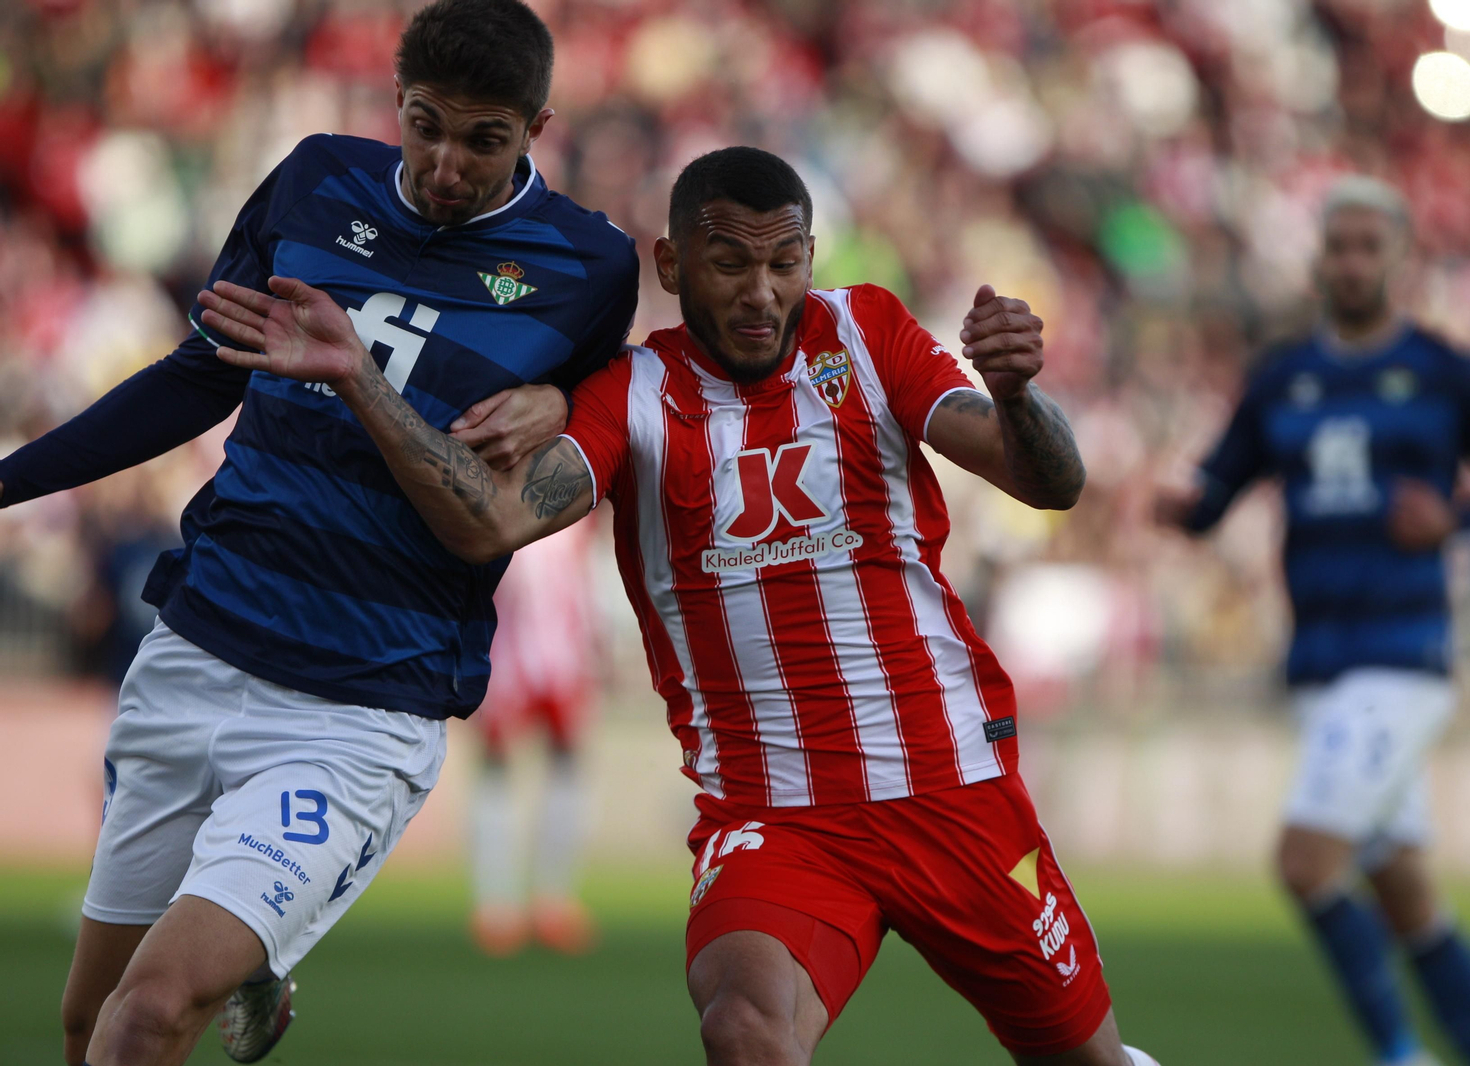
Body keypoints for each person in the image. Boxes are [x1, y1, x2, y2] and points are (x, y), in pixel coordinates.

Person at [198, 145, 1159, 1066]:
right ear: (672, 264)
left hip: (951, 788)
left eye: (785, 263)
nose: (762, 291)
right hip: (776, 819)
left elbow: (1049, 482)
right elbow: (491, 521)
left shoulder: (869, 333)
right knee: (744, 1028)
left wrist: (1016, 396)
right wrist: (359, 376)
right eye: (731, 263)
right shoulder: (634, 393)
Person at [0, 0, 638, 1062]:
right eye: (425, 125)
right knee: (86, 1020)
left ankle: (249, 941)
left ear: (536, 128)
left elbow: (623, 408)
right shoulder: (316, 179)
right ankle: (256, 951)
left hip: (362, 701)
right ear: (397, 101)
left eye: (484, 140)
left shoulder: (587, 265)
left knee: (148, 1015)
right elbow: (200, 373)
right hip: (200, 645)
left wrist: (569, 398)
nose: (446, 164)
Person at [1154, 176, 1470, 1066]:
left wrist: (1457, 518)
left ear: (1399, 258)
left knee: (1304, 863)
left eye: (1370, 246)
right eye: (1339, 246)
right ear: (1318, 260)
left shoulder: (1445, 371)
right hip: (1319, 661)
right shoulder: (1283, 378)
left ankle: (1400, 1056)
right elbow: (1220, 485)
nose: (1352, 262)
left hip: (1402, 654)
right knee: (1407, 894)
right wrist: (1186, 509)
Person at [468, 517, 603, 956]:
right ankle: (496, 907)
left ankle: (553, 902)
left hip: (565, 654)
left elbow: (588, 574)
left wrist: (597, 641)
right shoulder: (503, 501)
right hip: (506, 653)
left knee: (567, 766)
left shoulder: (580, 512)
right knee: (496, 767)